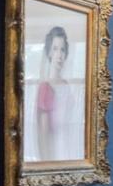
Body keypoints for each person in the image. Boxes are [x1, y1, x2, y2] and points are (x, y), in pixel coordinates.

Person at [32, 24, 81, 161]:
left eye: (62, 50)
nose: (59, 55)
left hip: (70, 146)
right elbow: (43, 134)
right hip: (55, 151)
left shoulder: (66, 86)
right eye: (55, 49)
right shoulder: (45, 87)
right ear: (49, 53)